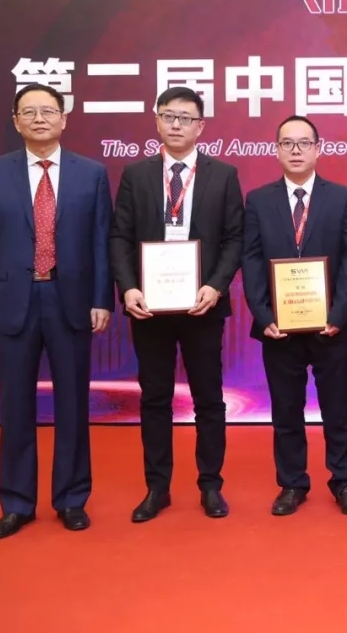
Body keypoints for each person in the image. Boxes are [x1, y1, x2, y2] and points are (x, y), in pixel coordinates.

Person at [0, 83, 114, 539]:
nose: (39, 119)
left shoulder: (92, 173)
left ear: (63, 119)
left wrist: (101, 299)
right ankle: (16, 502)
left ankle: (71, 498)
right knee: (15, 405)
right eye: (28, 112)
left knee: (73, 404)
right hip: (13, 301)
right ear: (16, 121)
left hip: (70, 301)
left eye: (47, 111)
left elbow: (101, 241)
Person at [109, 86, 244, 521]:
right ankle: (157, 487)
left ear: (200, 126)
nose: (176, 125)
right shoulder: (136, 175)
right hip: (149, 306)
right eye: (168, 116)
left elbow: (234, 239)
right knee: (155, 398)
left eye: (186, 118)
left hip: (202, 304)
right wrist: (128, 288)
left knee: (208, 398)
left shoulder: (223, 175)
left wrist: (217, 286)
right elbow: (120, 236)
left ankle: (211, 485)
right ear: (156, 121)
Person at [240, 115, 347, 517]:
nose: (296, 150)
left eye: (304, 143)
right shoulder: (258, 200)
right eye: (287, 143)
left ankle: (344, 481)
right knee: (286, 410)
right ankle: (292, 483)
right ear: (276, 150)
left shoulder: (342, 197)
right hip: (279, 327)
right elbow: (251, 260)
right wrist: (263, 314)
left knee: (338, 409)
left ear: (318, 149)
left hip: (331, 326)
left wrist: (339, 314)